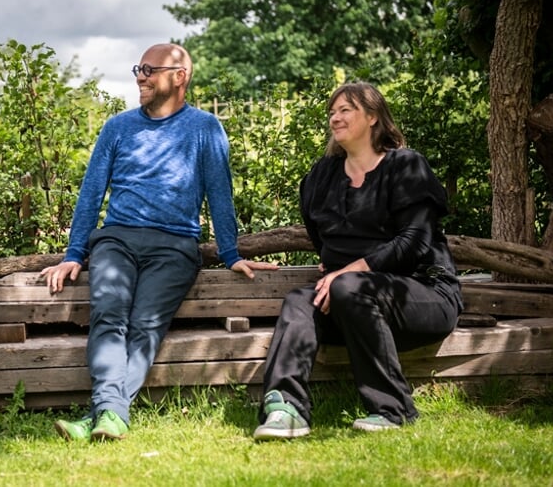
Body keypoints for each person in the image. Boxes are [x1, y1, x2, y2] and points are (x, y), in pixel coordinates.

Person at [41, 43, 278, 442]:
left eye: (150, 69)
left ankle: (101, 414)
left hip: (174, 246)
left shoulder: (204, 128)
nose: (140, 76)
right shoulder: (118, 127)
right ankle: (111, 415)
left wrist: (231, 253)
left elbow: (219, 193)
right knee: (108, 316)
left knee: (145, 325)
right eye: (139, 68)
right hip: (116, 240)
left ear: (179, 76)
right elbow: (91, 193)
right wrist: (74, 254)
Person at [253, 82, 463, 440]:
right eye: (332, 111)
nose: (335, 117)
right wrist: (339, 273)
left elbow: (415, 242)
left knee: (349, 286)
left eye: (345, 109)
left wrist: (349, 271)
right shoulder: (322, 176)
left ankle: (393, 409)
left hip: (423, 296)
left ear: (373, 117)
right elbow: (322, 238)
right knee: (299, 302)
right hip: (353, 304)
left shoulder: (405, 166)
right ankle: (285, 408)